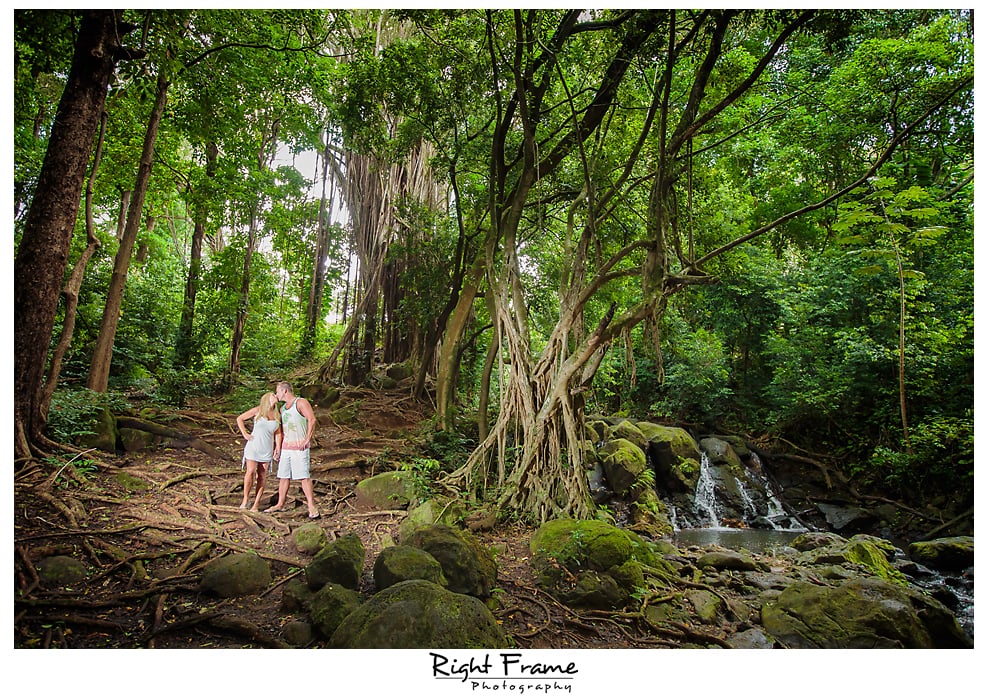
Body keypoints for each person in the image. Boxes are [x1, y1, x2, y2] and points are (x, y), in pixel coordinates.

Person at [264, 381, 320, 519]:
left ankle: (311, 506)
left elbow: (311, 419)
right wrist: (278, 448)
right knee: (283, 476)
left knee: (303, 476)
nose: (276, 394)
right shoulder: (283, 409)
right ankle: (280, 504)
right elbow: (280, 429)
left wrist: (307, 439)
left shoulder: (300, 403)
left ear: (285, 391)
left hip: (299, 447)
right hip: (286, 447)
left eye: (277, 391)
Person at [236, 391, 282, 511]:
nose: (275, 396)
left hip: (266, 449)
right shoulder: (258, 410)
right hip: (254, 446)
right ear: (267, 398)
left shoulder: (277, 414)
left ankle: (256, 504)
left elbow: (278, 433)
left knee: (261, 475)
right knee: (250, 471)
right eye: (273, 395)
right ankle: (245, 500)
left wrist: (278, 448)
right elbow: (240, 418)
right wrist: (245, 434)